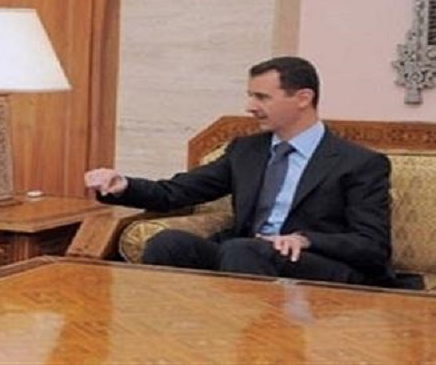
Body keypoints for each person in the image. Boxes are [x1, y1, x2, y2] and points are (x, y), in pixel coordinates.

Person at [85, 56, 394, 286]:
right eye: (250, 95)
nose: (250, 106)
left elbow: (372, 246)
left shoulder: (359, 163)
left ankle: (250, 346)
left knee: (243, 251)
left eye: (262, 97)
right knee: (168, 243)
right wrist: (122, 185)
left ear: (303, 98)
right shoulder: (246, 150)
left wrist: (305, 239)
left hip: (318, 264)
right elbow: (176, 192)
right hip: (244, 255)